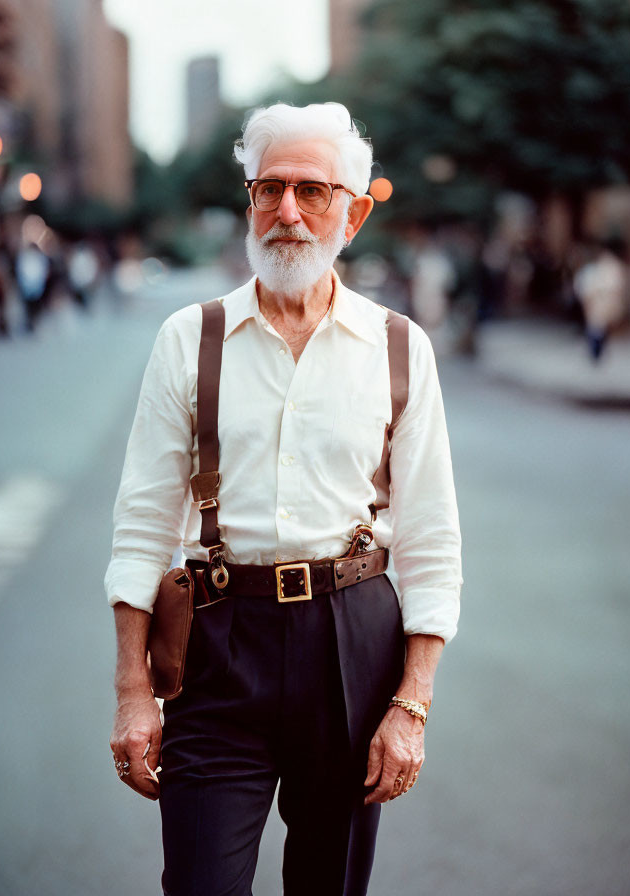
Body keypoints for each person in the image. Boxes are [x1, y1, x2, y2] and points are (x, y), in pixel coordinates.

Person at [106, 102, 463, 896]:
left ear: (355, 211)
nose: (288, 212)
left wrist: (412, 704)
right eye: (270, 188)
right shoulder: (187, 340)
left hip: (353, 645)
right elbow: (140, 533)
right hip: (217, 644)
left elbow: (433, 542)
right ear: (249, 200)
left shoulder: (399, 348)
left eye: (313, 190)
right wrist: (134, 693)